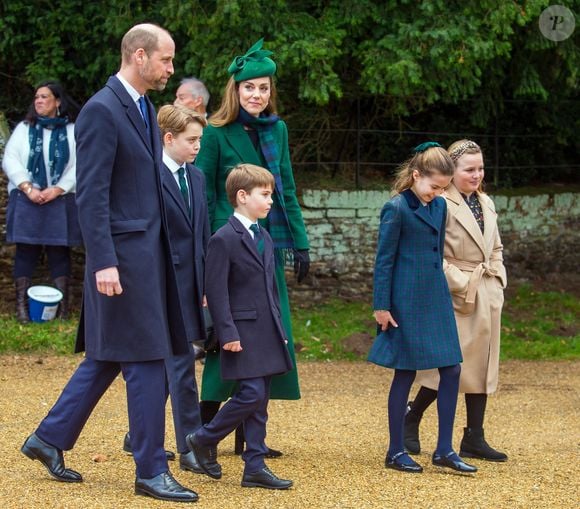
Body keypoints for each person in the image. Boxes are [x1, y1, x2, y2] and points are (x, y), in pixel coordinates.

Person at [20, 24, 198, 503]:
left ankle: (47, 439)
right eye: (166, 59)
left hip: (145, 257)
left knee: (106, 359)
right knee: (148, 362)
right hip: (121, 260)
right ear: (139, 57)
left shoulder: (140, 107)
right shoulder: (102, 109)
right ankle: (150, 471)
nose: (171, 68)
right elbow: (92, 194)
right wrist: (103, 261)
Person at [195, 38, 309, 456]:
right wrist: (206, 251)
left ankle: (249, 439)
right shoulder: (215, 133)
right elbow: (204, 196)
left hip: (268, 248)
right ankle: (203, 430)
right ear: (235, 90)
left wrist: (300, 241)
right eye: (249, 88)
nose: (257, 95)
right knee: (229, 334)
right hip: (229, 250)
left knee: (268, 338)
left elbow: (287, 188)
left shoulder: (276, 129)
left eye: (263, 88)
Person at [368, 142, 477, 474]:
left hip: (435, 297)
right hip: (404, 300)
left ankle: (444, 450)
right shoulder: (396, 208)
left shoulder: (440, 206)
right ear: (416, 175)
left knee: (452, 369)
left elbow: (436, 252)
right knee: (406, 371)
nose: (437, 193)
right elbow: (383, 261)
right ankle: (395, 450)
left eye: (444, 188)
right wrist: (381, 306)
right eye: (433, 186)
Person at [186, 163, 294, 490]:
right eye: (265, 194)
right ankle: (203, 438)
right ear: (242, 196)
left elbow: (270, 289)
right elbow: (215, 292)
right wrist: (228, 333)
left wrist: (280, 329)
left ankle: (255, 466)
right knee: (250, 394)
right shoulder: (223, 238)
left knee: (261, 401)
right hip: (241, 331)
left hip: (267, 331)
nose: (271, 201)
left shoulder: (263, 236)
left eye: (272, 194)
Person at [406, 140, 508, 462]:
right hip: (454, 293)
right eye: (469, 169)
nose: (477, 175)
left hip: (487, 291)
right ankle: (412, 416)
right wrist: (462, 283)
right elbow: (432, 253)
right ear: (452, 172)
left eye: (480, 168)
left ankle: (474, 437)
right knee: (448, 366)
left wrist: (499, 279)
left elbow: (496, 247)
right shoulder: (441, 203)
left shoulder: (486, 202)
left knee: (482, 365)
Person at [122, 104, 210, 474]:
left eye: (200, 140)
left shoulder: (199, 177)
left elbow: (201, 234)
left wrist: (205, 285)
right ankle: (191, 445)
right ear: (169, 139)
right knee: (181, 364)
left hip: (190, 285)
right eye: (191, 140)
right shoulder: (148, 176)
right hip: (159, 284)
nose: (197, 147)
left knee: (173, 362)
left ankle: (138, 434)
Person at [2, 80, 81, 322]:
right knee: (25, 252)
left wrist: (58, 189)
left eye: (44, 97)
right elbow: (10, 159)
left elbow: (80, 163)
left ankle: (63, 312)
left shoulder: (71, 130)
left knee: (60, 252)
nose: (38, 101)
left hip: (60, 199)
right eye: (36, 97)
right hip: (28, 199)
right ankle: (22, 311)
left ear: (58, 101)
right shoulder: (25, 129)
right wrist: (27, 187)